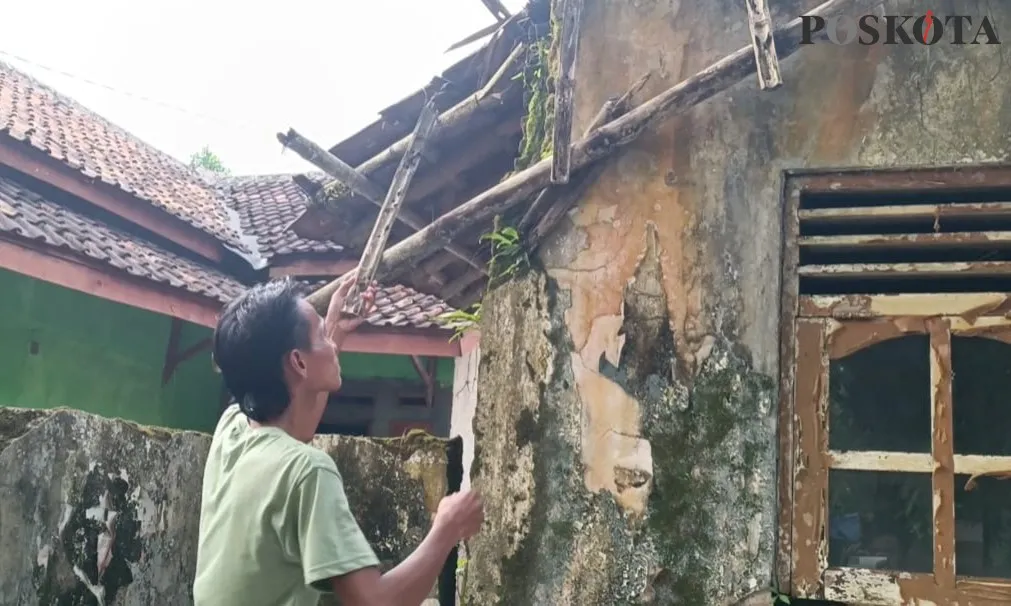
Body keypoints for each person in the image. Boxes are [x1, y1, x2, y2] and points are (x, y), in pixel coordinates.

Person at [193, 274, 485, 606]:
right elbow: (374, 603)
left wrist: (335, 330)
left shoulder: (232, 428)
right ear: (298, 362)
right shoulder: (308, 471)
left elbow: (296, 427)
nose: (331, 346)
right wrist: (446, 529)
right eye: (320, 336)